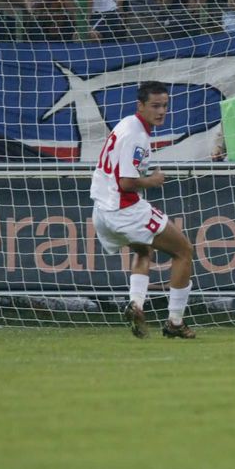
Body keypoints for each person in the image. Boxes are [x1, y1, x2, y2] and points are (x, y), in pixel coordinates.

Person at [91, 82, 198, 340]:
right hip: (125, 209)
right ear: (140, 105)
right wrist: (153, 180)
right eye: (155, 106)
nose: (161, 111)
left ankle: (136, 304)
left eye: (165, 106)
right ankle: (175, 322)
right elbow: (127, 183)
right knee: (184, 251)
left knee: (143, 250)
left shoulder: (127, 123)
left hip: (102, 210)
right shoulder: (137, 136)